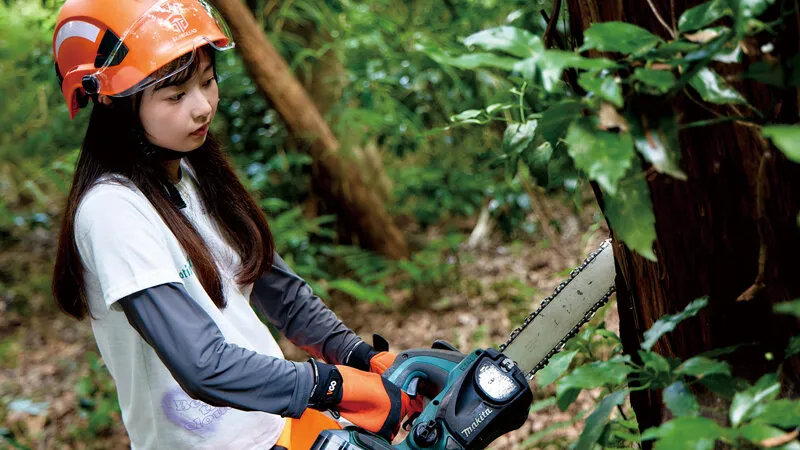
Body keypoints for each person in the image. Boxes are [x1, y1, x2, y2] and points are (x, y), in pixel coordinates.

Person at [50, 0, 423, 448]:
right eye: (175, 94)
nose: (203, 106)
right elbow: (203, 365)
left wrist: (360, 356)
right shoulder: (112, 212)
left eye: (208, 82)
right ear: (114, 100)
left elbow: (281, 294)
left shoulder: (192, 174)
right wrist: (333, 385)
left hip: (276, 426)